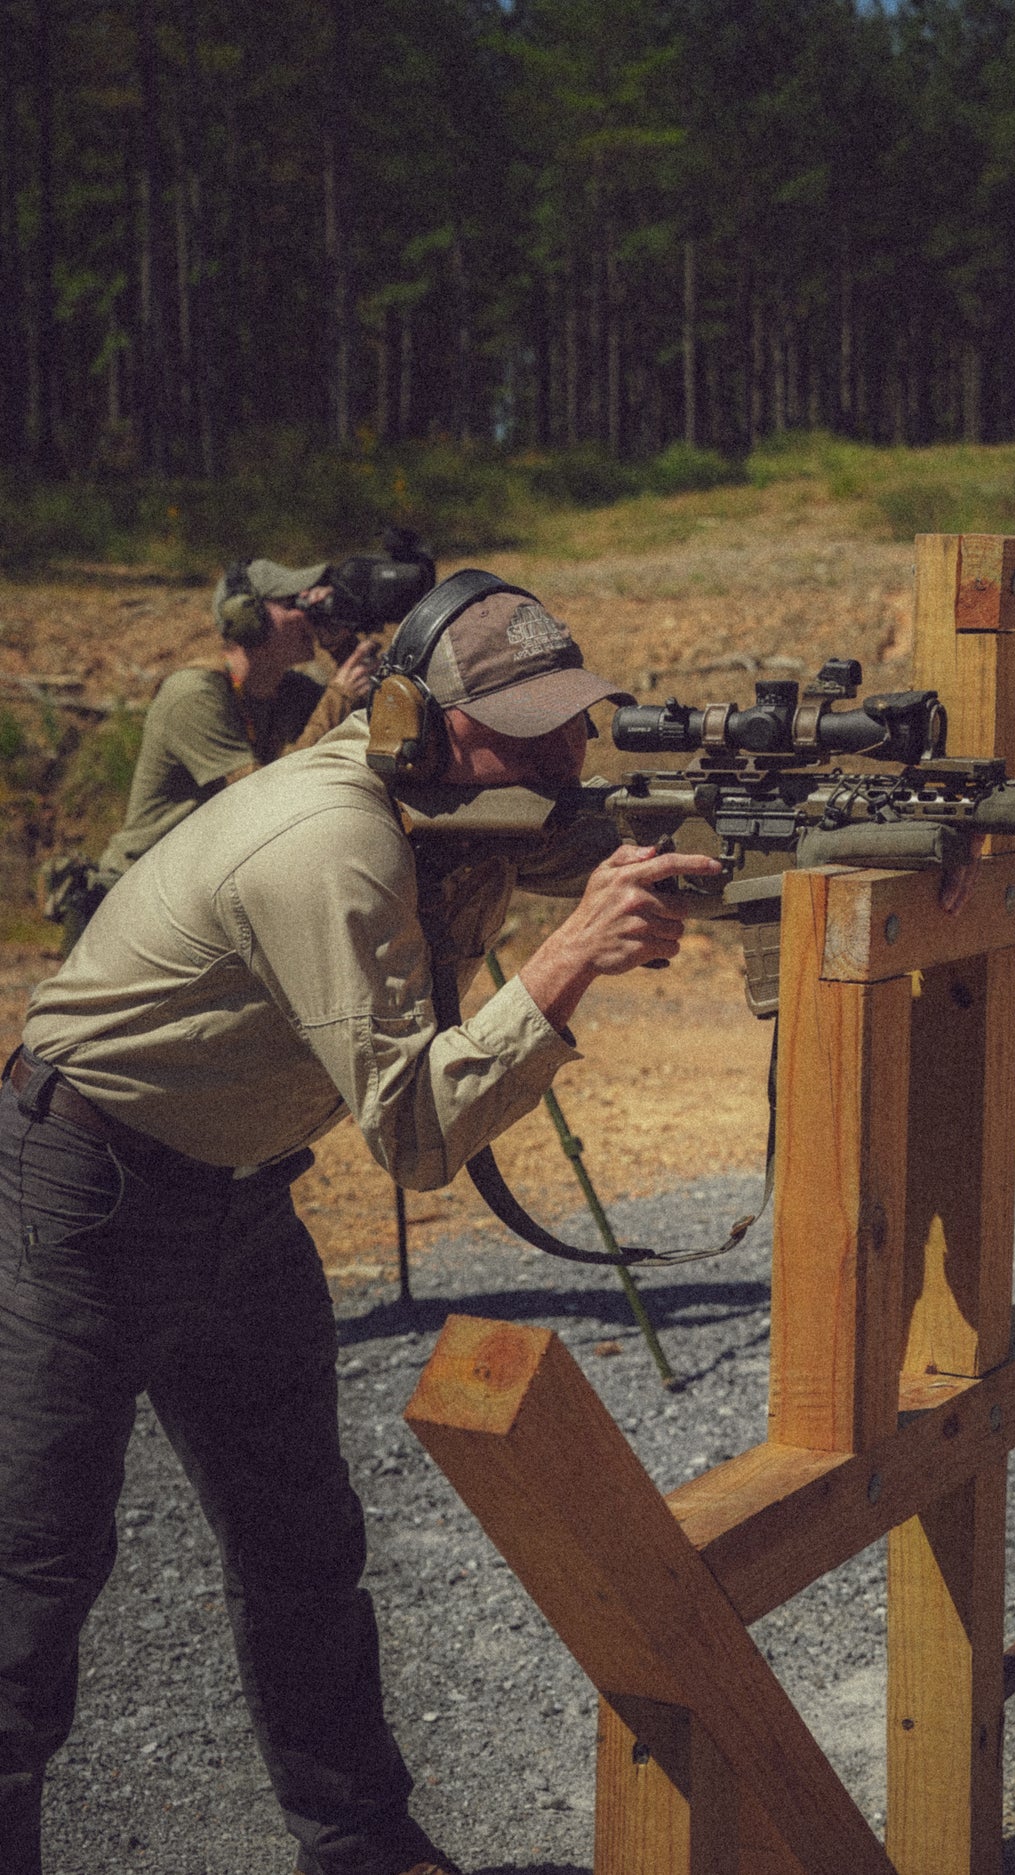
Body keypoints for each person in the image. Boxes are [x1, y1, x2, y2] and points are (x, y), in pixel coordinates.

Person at [0, 573, 722, 1875]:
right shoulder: (326, 839)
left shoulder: (462, 800)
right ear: (412, 719)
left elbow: (611, 829)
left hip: (236, 1194)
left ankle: (359, 1841)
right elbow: (413, 1134)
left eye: (576, 721)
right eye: (531, 727)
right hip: (83, 1189)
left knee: (303, 1548)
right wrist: (568, 957)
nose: (571, 750)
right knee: (32, 1580)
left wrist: (783, 825)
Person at [94, 557, 385, 888]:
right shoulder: (194, 694)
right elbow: (261, 800)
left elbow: (376, 724)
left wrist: (343, 646)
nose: (308, 615)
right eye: (294, 604)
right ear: (249, 618)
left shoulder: (292, 692)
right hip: (134, 891)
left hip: (200, 886)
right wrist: (339, 698)